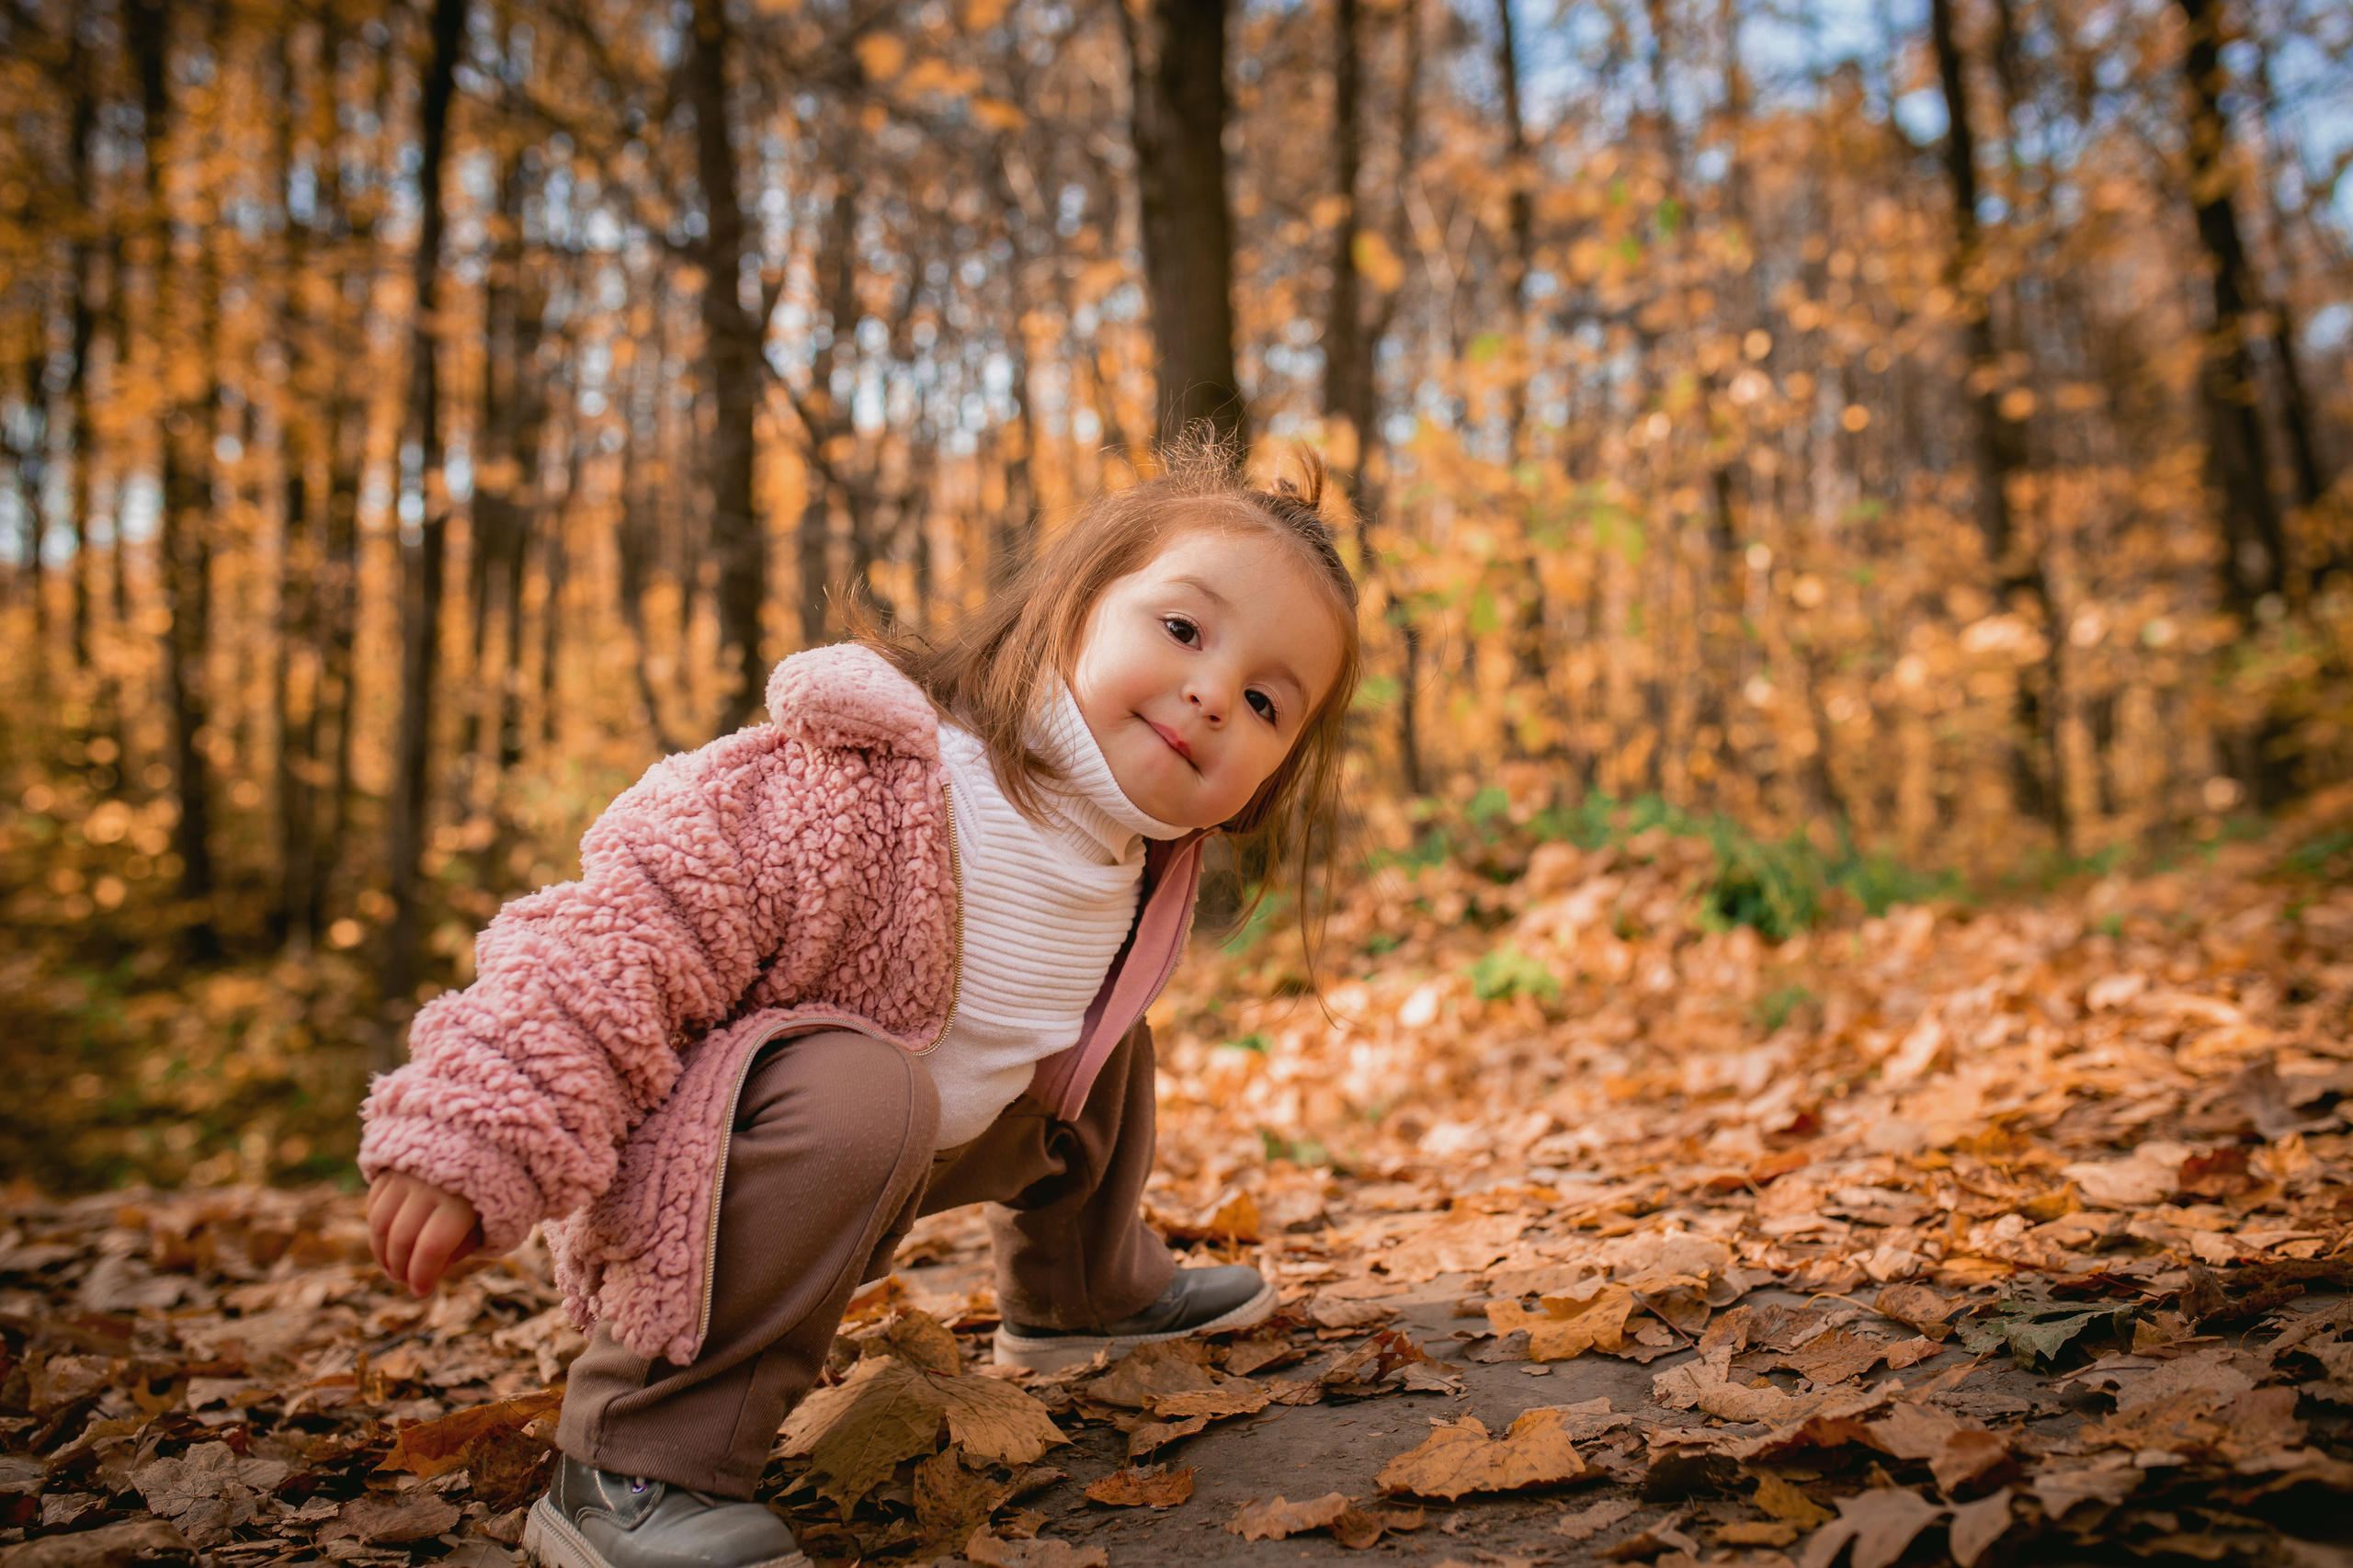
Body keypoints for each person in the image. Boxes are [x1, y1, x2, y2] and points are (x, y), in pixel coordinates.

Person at [357, 440, 1361, 1568]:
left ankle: (1081, 1292)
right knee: (860, 1087)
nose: (1215, 692)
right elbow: (612, 936)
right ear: (1072, 607)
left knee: (1103, 1040)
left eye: (1268, 701)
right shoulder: (862, 779)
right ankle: (630, 1460)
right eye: (1182, 630)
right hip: (748, 1164)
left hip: (938, 1136)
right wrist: (473, 1121)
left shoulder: (1138, 856)